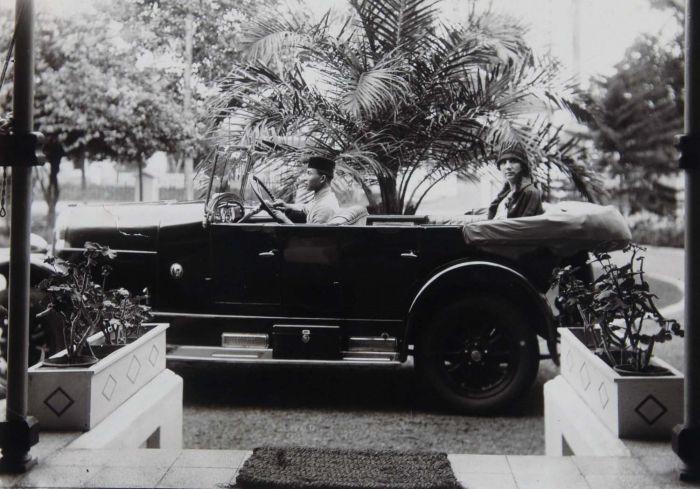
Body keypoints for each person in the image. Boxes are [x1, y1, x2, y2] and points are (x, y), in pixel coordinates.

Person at [273, 156, 340, 224]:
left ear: (322, 178)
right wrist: (286, 205)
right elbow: (306, 207)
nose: (304, 178)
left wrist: (284, 219)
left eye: (309, 173)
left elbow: (310, 234)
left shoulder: (324, 207)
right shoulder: (322, 198)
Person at [487, 149, 544, 220]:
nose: (508, 167)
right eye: (503, 162)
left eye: (513, 161)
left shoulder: (530, 192)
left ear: (522, 166)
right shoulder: (506, 192)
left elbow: (524, 226)